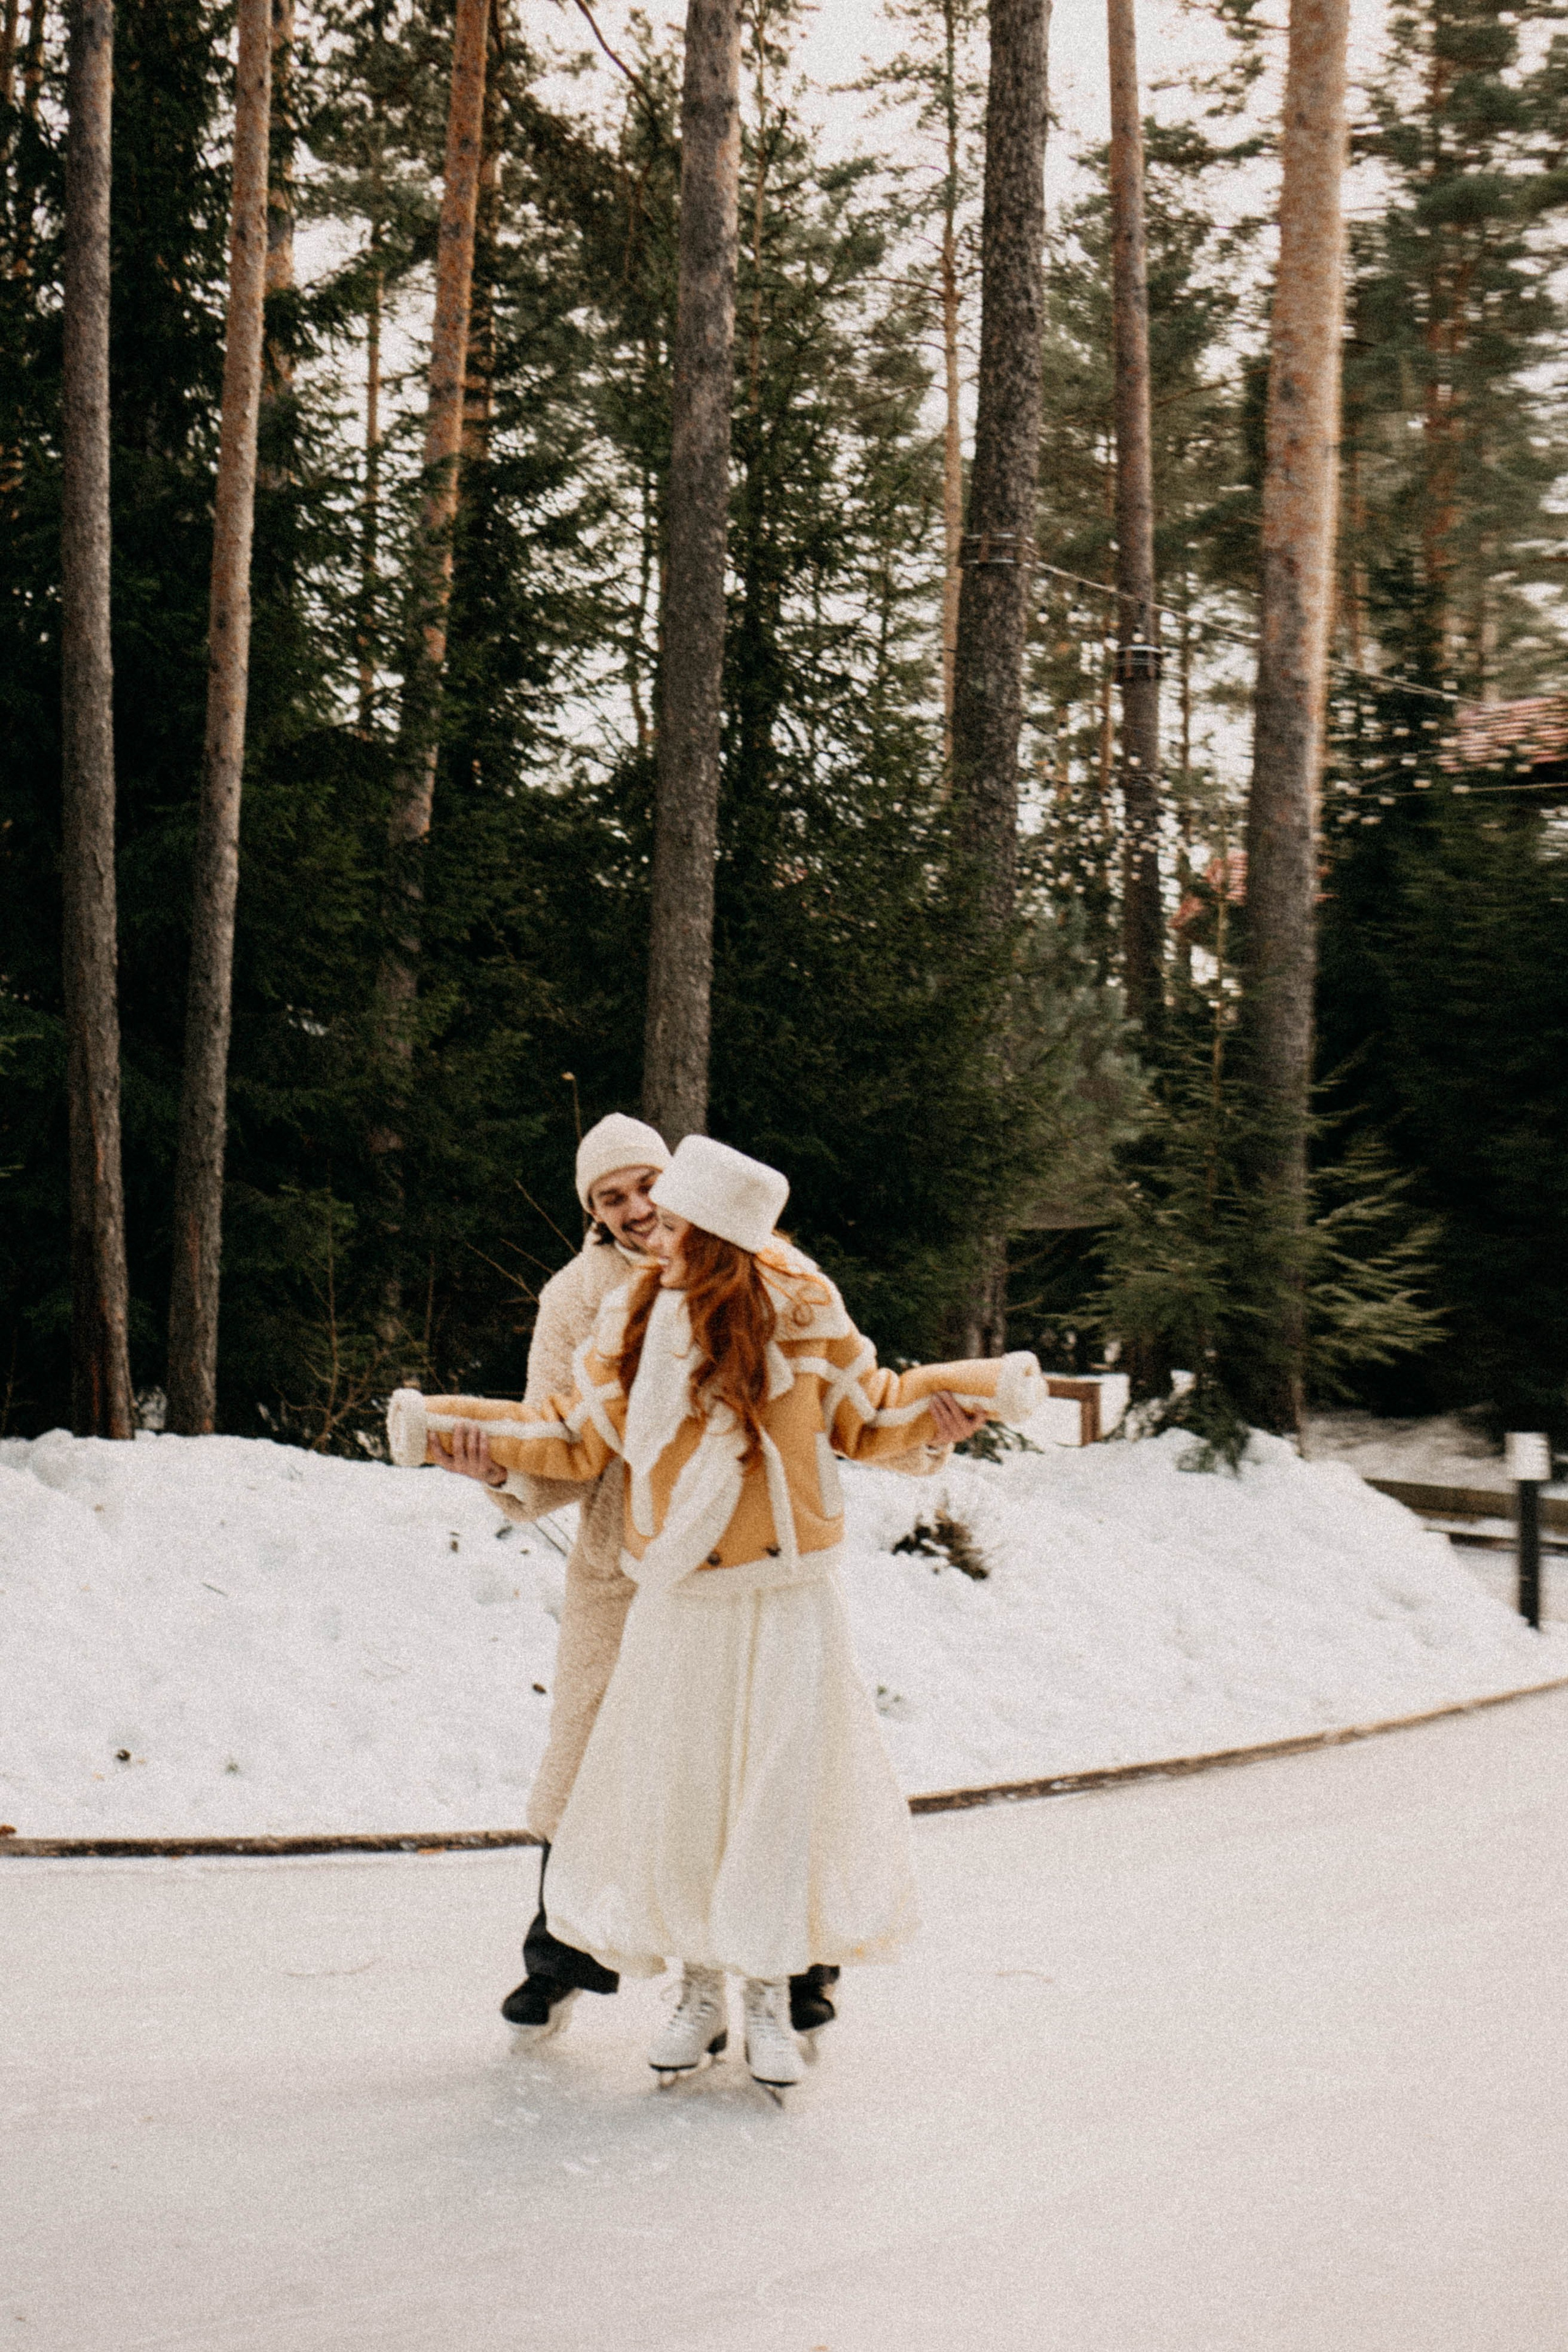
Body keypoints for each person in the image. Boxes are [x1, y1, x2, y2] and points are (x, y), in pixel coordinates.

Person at [392, 1136, 1042, 2095]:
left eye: (657, 1197)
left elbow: (867, 1409)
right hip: (666, 1585)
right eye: (614, 1198)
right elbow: (570, 1431)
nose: (646, 1219)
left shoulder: (800, 1297)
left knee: (776, 1791)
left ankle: (774, 1992)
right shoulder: (616, 1309)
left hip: (783, 1592)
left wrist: (959, 1406)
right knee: (682, 1790)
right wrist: (461, 1437)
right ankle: (692, 1988)